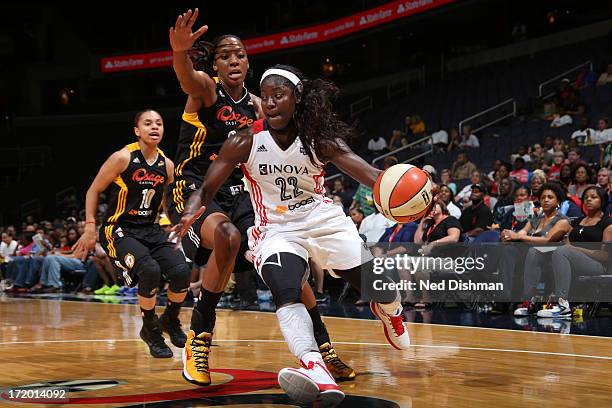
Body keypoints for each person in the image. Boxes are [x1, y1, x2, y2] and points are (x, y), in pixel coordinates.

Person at [175, 65, 417, 404]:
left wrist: (404, 190)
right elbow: (205, 188)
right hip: (275, 229)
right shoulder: (244, 141)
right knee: (285, 288)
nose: (270, 102)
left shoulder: (319, 140)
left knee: (381, 288)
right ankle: (313, 365)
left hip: (323, 221)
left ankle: (390, 310)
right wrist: (189, 213)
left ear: (297, 98)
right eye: (267, 95)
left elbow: (373, 175)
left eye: (279, 95)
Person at [168, 9, 353, 386]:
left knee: (283, 255)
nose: (233, 60)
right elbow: (187, 78)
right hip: (197, 188)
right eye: (224, 56)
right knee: (228, 238)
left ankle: (322, 347)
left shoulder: (258, 104)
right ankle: (199, 337)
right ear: (215, 65)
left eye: (239, 55)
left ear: (248, 63)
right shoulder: (205, 89)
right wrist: (179, 54)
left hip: (242, 193)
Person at [72, 109, 192, 358]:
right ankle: (150, 329)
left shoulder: (166, 164)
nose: (154, 127)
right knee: (149, 270)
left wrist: (180, 220)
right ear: (137, 131)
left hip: (151, 229)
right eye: (147, 123)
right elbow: (93, 190)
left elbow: (168, 202)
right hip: (119, 229)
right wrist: (90, 226)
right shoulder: (123, 157)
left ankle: (170, 319)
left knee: (182, 271)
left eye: (158, 123)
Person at [506, 183, 572, 316]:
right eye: (543, 197)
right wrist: (508, 235)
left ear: (557, 201)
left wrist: (518, 236)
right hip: (534, 254)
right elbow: (522, 232)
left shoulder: (563, 220)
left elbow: (548, 240)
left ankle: (530, 300)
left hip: (555, 255)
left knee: (533, 251)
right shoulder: (536, 218)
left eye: (550, 197)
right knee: (507, 250)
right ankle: (505, 299)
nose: (546, 200)